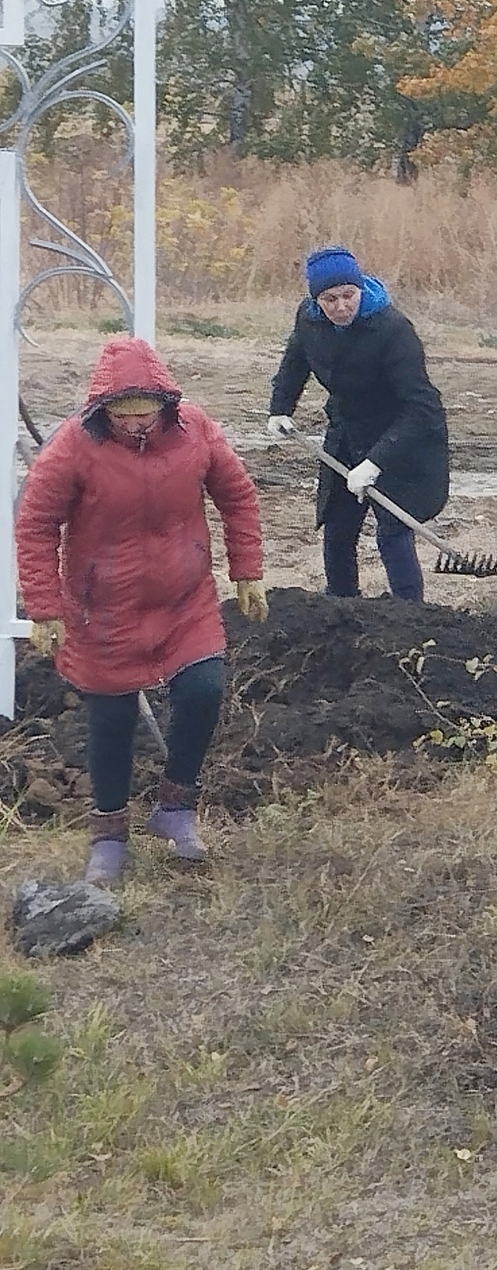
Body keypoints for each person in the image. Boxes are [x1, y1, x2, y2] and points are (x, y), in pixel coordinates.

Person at [17, 336, 266, 885]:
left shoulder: (196, 430)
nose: (135, 424)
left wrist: (246, 569)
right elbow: (35, 523)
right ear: (102, 409)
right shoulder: (73, 445)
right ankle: (108, 836)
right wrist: (44, 607)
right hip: (102, 607)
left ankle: (175, 808)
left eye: (144, 412)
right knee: (112, 719)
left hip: (185, 598)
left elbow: (237, 494)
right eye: (122, 414)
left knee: (203, 690)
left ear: (165, 403)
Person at [266, 245, 451, 601]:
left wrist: (375, 461)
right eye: (329, 299)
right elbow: (295, 360)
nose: (340, 306)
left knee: (393, 529)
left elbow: (421, 406)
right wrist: (280, 408)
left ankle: (408, 613)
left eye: (348, 295)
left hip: (399, 435)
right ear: (317, 300)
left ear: (360, 289)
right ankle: (341, 607)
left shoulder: (393, 329)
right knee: (338, 526)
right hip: (346, 433)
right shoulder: (309, 320)